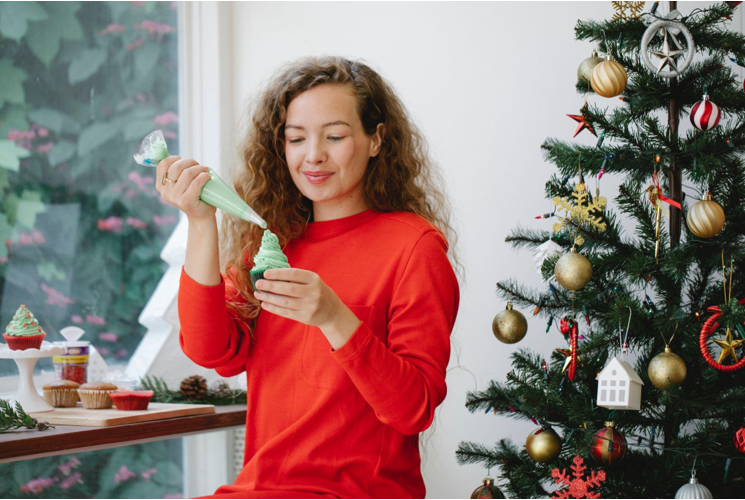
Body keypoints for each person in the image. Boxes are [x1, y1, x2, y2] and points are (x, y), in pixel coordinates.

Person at [155, 56, 460, 499]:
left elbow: (412, 410)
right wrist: (201, 224)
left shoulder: (414, 248)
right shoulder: (274, 242)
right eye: (296, 138)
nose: (313, 155)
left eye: (334, 136)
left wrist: (334, 316)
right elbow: (213, 351)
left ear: (377, 139)